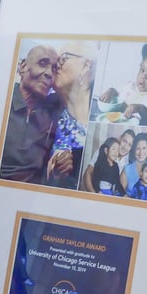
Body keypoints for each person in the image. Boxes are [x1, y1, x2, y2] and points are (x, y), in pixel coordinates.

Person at [0, 43, 61, 184]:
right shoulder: (0, 102)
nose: (49, 73)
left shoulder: (51, 108)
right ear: (23, 67)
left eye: (54, 69)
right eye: (43, 63)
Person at [45, 41, 98, 189]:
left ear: (86, 66)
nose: (56, 65)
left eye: (63, 58)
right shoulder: (45, 111)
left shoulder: (103, 113)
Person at [81, 127, 135, 193]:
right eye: (124, 141)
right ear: (120, 138)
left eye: (129, 145)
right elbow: (87, 174)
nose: (125, 147)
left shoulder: (128, 163)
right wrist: (95, 195)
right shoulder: (105, 150)